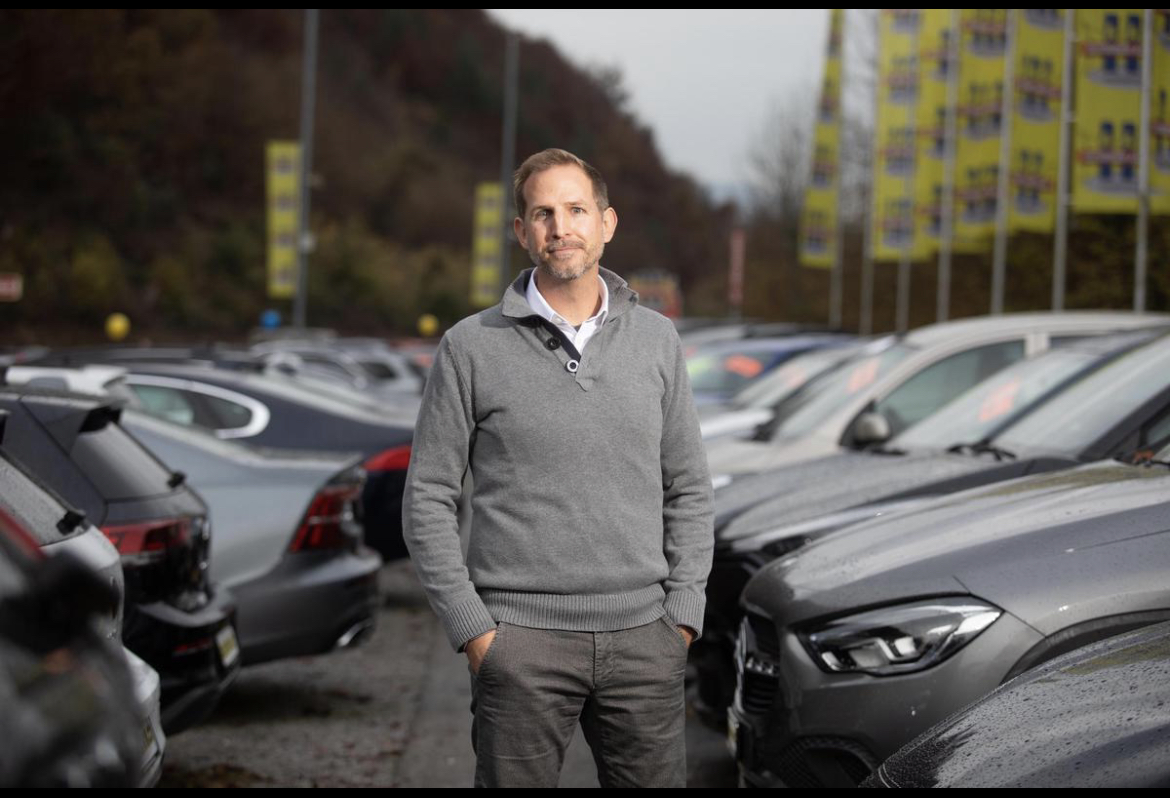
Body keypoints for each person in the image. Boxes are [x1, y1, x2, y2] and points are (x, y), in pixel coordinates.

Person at [402, 148, 714, 788]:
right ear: (521, 232)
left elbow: (688, 486)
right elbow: (428, 498)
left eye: (576, 210)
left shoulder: (658, 340)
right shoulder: (470, 347)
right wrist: (475, 631)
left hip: (645, 640)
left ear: (607, 223)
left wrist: (683, 611)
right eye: (542, 213)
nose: (560, 227)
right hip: (519, 645)